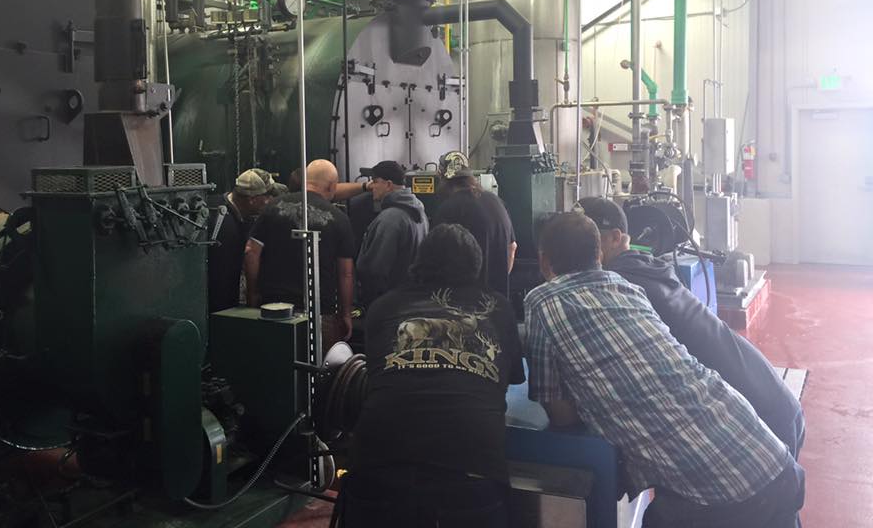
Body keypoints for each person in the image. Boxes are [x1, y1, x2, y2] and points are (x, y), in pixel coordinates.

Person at [524, 212, 805, 528]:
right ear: (599, 255)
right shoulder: (626, 287)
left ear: (544, 261)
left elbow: (560, 415)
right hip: (773, 459)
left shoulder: (541, 301)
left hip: (723, 496)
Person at [577, 196, 805, 458]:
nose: (578, 249)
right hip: (775, 400)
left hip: (762, 420)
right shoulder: (647, 268)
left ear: (615, 238)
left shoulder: (623, 286)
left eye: (587, 240)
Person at [340, 224, 525, 527]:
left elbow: (378, 376)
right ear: (477, 265)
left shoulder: (383, 307)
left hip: (376, 465)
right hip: (472, 472)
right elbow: (512, 378)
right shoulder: (500, 310)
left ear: (419, 260)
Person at [244, 159, 355, 343]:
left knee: (274, 357)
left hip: (272, 308)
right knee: (319, 360)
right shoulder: (340, 219)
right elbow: (346, 273)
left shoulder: (273, 207)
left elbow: (251, 252)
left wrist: (252, 294)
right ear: (332, 186)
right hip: (320, 312)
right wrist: (346, 314)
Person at [431, 151, 516, 296]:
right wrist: (498, 280)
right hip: (497, 300)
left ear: (442, 177)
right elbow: (512, 247)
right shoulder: (496, 202)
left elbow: (438, 259)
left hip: (465, 301)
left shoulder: (448, 209)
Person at [356, 161, 428, 308]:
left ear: (388, 185)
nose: (372, 186)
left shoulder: (390, 219)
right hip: (410, 300)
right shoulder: (419, 212)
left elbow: (375, 270)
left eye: (375, 181)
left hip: (388, 304)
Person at [207, 168, 275, 312]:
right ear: (252, 200)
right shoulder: (223, 225)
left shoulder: (241, 216)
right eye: (267, 196)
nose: (269, 201)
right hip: (218, 305)